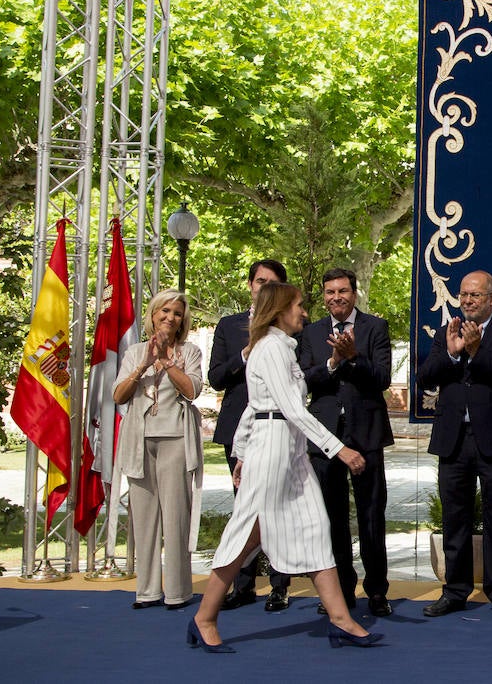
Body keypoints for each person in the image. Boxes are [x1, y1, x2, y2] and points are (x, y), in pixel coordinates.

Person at [189, 282, 380, 652]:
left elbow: (262, 404)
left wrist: (242, 450)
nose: (304, 312)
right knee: (248, 533)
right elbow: (288, 410)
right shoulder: (271, 348)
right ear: (279, 310)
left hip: (286, 447)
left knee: (315, 525)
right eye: (297, 306)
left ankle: (340, 618)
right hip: (274, 447)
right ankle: (205, 616)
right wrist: (339, 449)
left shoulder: (279, 349)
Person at [415, 270, 492, 622]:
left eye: (475, 295)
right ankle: (455, 590)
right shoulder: (448, 330)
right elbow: (426, 376)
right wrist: (450, 353)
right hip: (453, 441)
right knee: (455, 520)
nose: (467, 301)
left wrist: (476, 353)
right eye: (463, 295)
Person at [298, 268, 394, 617]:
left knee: (371, 515)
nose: (335, 297)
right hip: (325, 437)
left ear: (354, 294)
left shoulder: (375, 328)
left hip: (365, 433)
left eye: (342, 291)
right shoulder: (311, 333)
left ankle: (377, 591)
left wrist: (353, 357)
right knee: (331, 517)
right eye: (329, 292)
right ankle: (341, 591)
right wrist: (333, 361)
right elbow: (306, 380)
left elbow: (382, 378)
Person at [208, 259, 292, 612]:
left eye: (272, 283)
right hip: (239, 430)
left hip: (278, 429)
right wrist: (245, 355)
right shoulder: (229, 326)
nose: (264, 287)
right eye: (260, 281)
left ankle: (279, 586)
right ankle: (241, 586)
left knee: (278, 508)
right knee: (244, 509)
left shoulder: (291, 327)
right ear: (250, 285)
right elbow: (215, 377)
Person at [113, 288, 204, 611]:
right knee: (144, 517)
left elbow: (193, 390)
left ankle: (178, 591)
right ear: (152, 315)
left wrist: (166, 362)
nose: (170, 318)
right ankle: (147, 590)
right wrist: (144, 366)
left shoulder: (189, 351)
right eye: (164, 312)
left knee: (176, 515)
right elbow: (119, 396)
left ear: (182, 321)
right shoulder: (135, 352)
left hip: (176, 439)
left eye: (176, 314)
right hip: (140, 440)